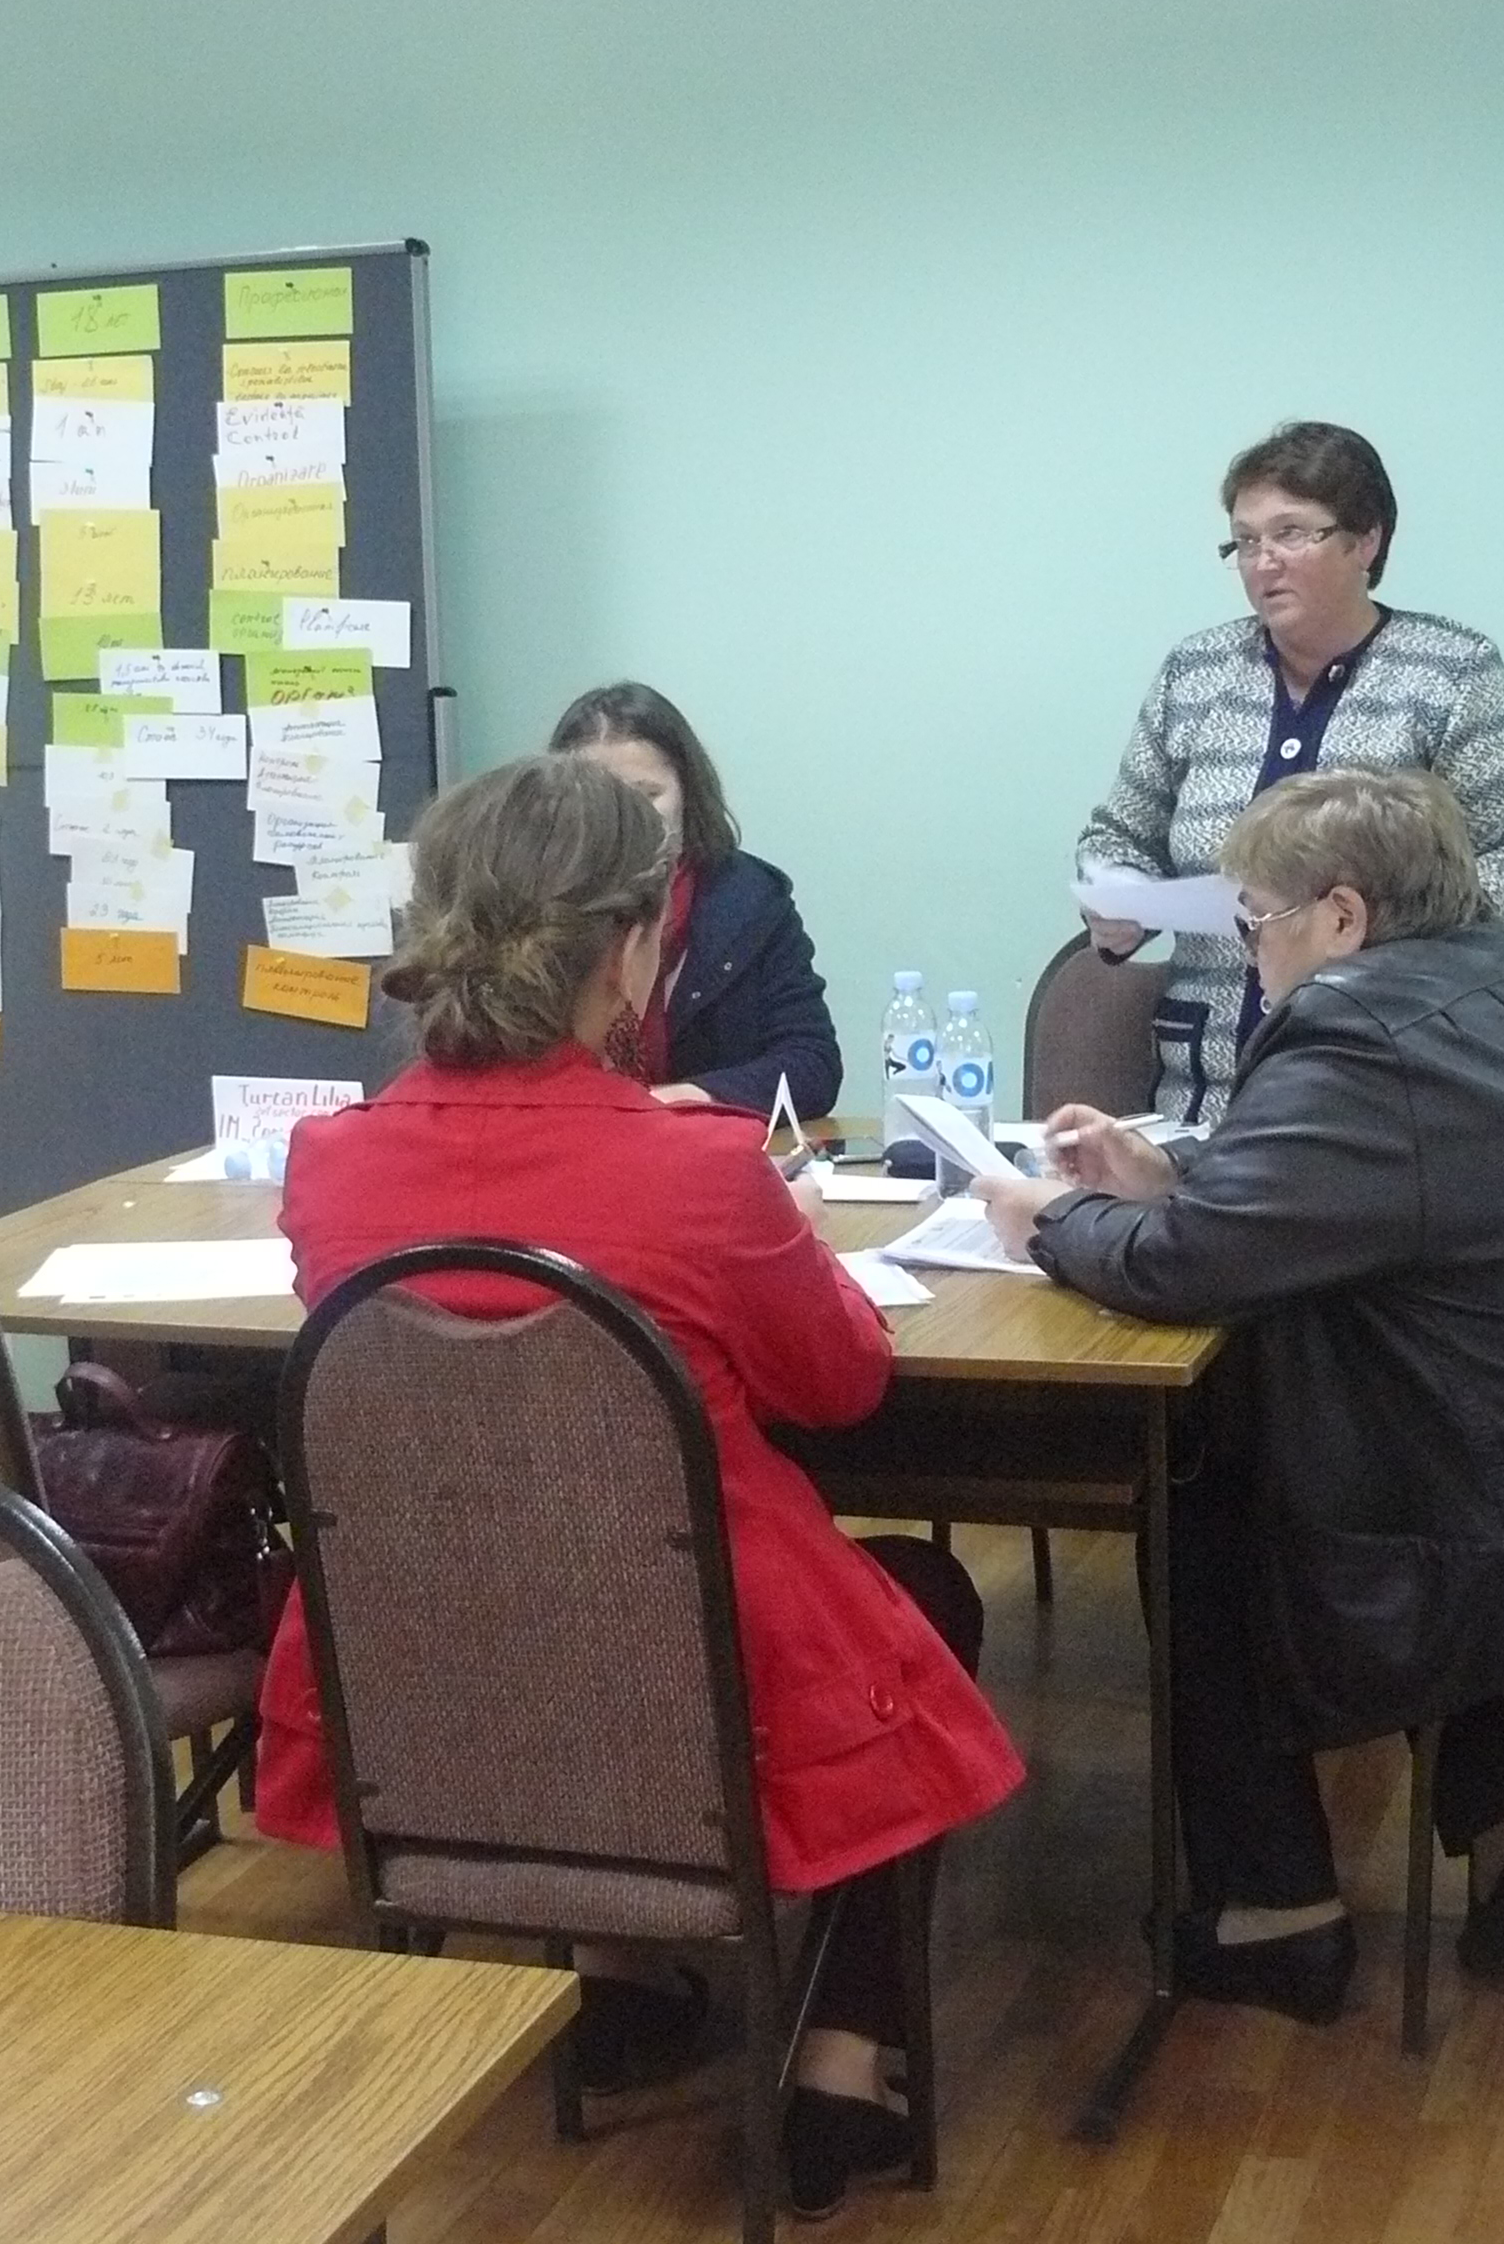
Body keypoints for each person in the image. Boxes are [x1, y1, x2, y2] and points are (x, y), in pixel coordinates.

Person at [258, 754, 1021, 2217]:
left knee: (545, 1587)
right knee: (920, 1595)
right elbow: (839, 1386)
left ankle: (622, 1973)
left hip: (424, 1657)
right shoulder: (702, 1171)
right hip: (689, 1652)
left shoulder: (330, 1164)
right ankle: (838, 2065)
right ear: (630, 951)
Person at [979, 769, 1504, 2023]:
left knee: (1207, 1487)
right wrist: (1166, 1174)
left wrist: (1049, 1219)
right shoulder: (1498, 987)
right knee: (1302, 1439)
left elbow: (1187, 1270)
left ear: (1341, 916)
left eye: (1256, 921)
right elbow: (1340, 1193)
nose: (1250, 952)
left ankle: (1276, 1909)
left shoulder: (1362, 1032)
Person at [1075, 421, 1504, 1125]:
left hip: (1385, 1078)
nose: (1263, 562)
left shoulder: (1450, 672)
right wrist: (1117, 899)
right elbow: (1118, 835)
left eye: (1290, 533)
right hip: (1204, 1089)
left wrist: (1383, 933)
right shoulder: (1196, 673)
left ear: (1365, 541)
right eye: (1245, 541)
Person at [549, 681, 840, 1120]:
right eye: (603, 800)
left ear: (687, 793)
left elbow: (812, 1064)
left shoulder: (751, 899)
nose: (627, 819)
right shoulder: (535, 903)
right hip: (570, 1136)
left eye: (647, 795)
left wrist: (686, 1097)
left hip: (701, 1138)